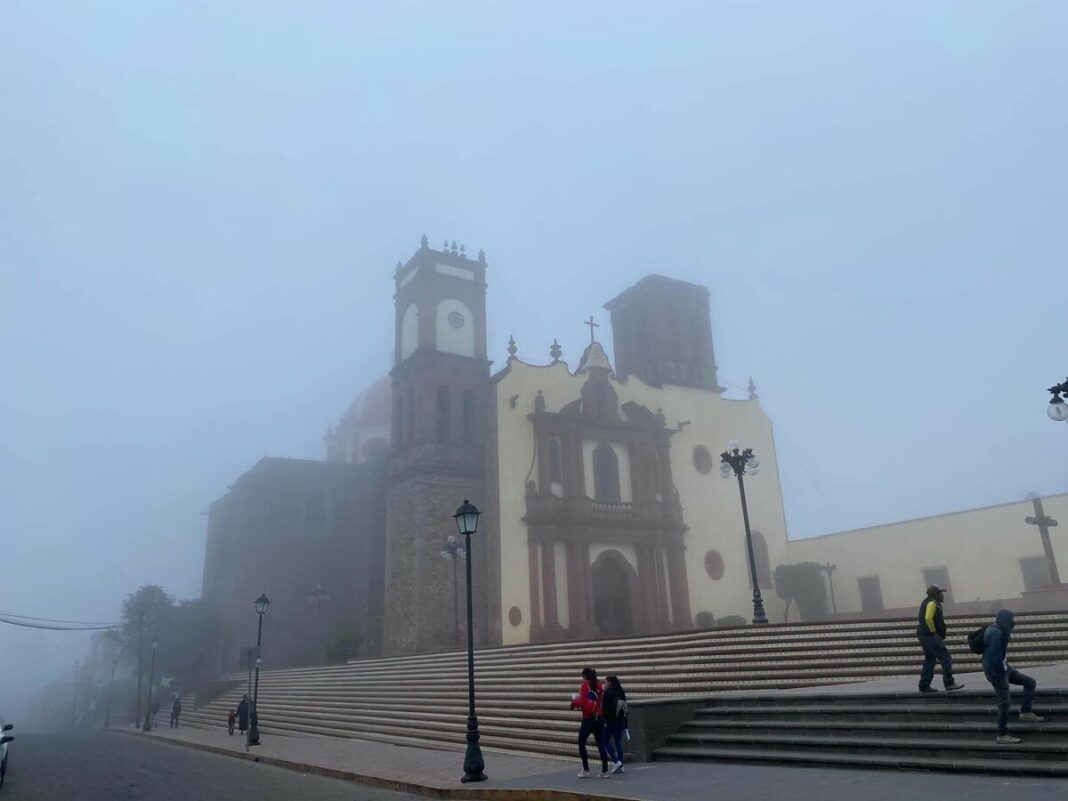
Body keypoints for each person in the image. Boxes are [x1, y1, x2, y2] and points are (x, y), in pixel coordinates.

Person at [982, 609, 1044, 744]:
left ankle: (1025, 712)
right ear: (1005, 620)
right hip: (997, 672)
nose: (1012, 623)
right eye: (1010, 620)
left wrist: (1006, 669)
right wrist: (1002, 674)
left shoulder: (999, 629)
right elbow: (994, 658)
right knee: (1004, 702)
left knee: (1029, 682)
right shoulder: (995, 633)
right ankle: (1001, 734)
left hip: (1005, 668)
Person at [916, 585, 964, 694]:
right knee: (945, 657)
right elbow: (928, 618)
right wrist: (934, 632)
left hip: (924, 635)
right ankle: (949, 682)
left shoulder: (928, 602)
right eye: (940, 593)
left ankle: (924, 685)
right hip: (929, 635)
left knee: (930, 659)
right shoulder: (932, 603)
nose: (942, 595)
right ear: (936, 595)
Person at [570, 667, 609, 778]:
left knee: (581, 743)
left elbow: (582, 702)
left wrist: (574, 701)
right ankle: (605, 771)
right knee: (601, 744)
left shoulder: (585, 685)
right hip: (599, 717)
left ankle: (586, 770)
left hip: (588, 718)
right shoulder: (599, 684)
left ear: (585, 676)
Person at [602, 675, 628, 775]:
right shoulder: (621, 691)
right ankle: (621, 764)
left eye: (605, 682)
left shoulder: (608, 693)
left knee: (604, 741)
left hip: (611, 721)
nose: (604, 684)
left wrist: (604, 720)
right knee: (618, 742)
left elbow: (605, 709)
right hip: (621, 721)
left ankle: (616, 761)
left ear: (609, 683)